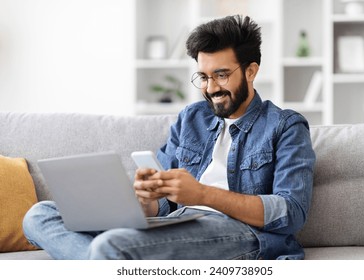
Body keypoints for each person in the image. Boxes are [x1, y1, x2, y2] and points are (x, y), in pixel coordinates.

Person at [23, 15, 315, 260]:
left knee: (109, 245)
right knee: (39, 215)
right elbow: (160, 205)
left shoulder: (285, 126)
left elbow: (291, 212)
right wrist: (145, 198)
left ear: (251, 71)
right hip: (177, 223)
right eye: (203, 76)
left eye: (222, 75)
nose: (211, 87)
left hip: (241, 232)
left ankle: (106, 259)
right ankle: (105, 264)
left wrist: (202, 195)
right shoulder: (192, 118)